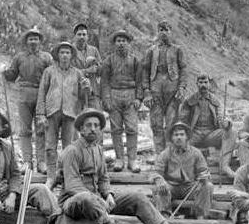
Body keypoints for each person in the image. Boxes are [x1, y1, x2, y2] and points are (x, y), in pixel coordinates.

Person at [57, 109, 196, 224]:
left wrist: (108, 194)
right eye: (88, 125)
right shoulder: (72, 151)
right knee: (86, 197)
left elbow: (103, 178)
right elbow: (72, 185)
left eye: (96, 125)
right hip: (73, 203)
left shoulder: (97, 149)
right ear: (81, 128)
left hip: (98, 202)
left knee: (137, 198)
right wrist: (98, 199)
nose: (93, 129)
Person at [36, 41, 90, 187]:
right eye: (62, 52)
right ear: (57, 55)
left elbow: (83, 96)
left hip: (70, 113)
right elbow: (41, 93)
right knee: (50, 146)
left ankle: (68, 177)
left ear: (72, 55)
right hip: (52, 112)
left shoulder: (77, 73)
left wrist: (86, 88)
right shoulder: (49, 71)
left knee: (69, 147)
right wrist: (40, 114)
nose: (65, 55)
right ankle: (51, 177)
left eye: (67, 52)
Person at [2, 27, 53, 174]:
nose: (33, 41)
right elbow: (12, 76)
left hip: (41, 95)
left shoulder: (46, 57)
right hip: (23, 95)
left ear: (40, 41)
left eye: (36, 39)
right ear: (26, 41)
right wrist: (4, 71)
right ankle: (27, 162)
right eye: (30, 39)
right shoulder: (19, 57)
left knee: (41, 129)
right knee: (24, 131)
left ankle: (41, 162)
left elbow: (52, 77)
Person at [151, 122, 213, 219]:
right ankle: (164, 217)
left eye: (182, 134)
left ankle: (201, 217)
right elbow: (156, 172)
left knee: (207, 186)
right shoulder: (165, 153)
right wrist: (160, 181)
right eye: (176, 135)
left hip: (190, 187)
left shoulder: (196, 153)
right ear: (172, 138)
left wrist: (204, 177)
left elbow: (203, 170)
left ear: (187, 137)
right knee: (158, 188)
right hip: (171, 187)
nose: (179, 137)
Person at [142, 21, 188, 153]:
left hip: (172, 93)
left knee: (172, 125)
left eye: (166, 30)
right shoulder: (151, 51)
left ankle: (171, 154)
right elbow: (145, 70)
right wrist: (146, 91)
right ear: (157, 32)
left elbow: (183, 69)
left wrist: (182, 87)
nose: (163, 32)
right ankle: (159, 155)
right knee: (156, 124)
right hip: (155, 92)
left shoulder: (177, 50)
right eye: (161, 29)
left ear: (170, 32)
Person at [180, 73, 236, 178]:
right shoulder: (189, 101)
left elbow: (222, 116)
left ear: (209, 84)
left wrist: (226, 123)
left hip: (210, 135)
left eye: (205, 82)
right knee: (179, 141)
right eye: (200, 82)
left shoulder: (216, 101)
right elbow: (182, 121)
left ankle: (224, 165)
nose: (203, 85)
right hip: (194, 134)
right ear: (196, 84)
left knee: (231, 132)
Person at [101, 30, 142, 172]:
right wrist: (106, 98)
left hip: (130, 95)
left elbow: (140, 81)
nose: (121, 44)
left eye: (124, 41)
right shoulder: (108, 61)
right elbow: (104, 82)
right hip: (114, 95)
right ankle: (119, 159)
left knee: (132, 128)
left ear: (128, 43)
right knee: (116, 129)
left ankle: (132, 159)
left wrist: (138, 97)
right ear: (114, 43)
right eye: (118, 41)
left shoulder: (135, 60)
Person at [71, 22, 102, 110]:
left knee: (95, 117)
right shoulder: (70, 50)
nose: (81, 37)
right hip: (75, 92)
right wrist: (87, 71)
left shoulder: (94, 50)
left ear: (87, 37)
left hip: (92, 91)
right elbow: (68, 72)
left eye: (84, 34)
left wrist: (96, 64)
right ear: (74, 36)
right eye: (79, 34)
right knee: (76, 120)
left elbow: (101, 70)